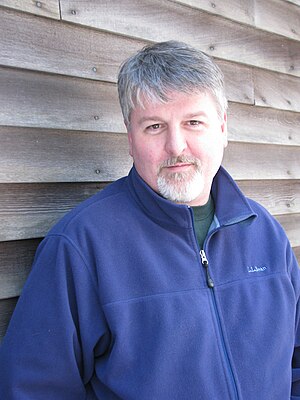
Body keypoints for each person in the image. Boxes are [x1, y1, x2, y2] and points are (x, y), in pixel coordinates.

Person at [0, 40, 299, 400]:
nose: (176, 146)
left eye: (193, 122)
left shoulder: (264, 232)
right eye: (155, 126)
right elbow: (33, 389)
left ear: (222, 128)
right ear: (130, 138)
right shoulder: (80, 245)